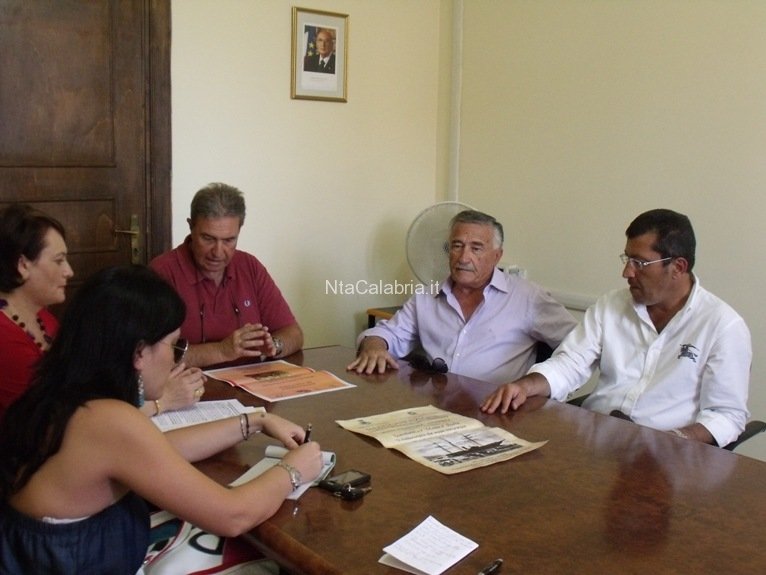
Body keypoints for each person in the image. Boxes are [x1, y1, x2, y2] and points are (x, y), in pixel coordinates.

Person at [0, 265, 322, 574]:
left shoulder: (68, 396)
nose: (176, 358)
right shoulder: (108, 420)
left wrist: (255, 421)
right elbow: (233, 515)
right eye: (174, 345)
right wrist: (293, 470)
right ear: (139, 353)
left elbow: (158, 450)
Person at [481, 209, 751, 448]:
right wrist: (526, 386)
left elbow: (726, 415)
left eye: (639, 263)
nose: (627, 273)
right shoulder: (611, 305)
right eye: (627, 259)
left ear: (678, 267)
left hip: (668, 458)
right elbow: (570, 363)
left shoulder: (722, 326)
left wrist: (675, 441)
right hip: (598, 444)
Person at [0, 203, 204, 419]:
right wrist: (163, 400)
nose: (69, 271)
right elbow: (60, 419)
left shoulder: (42, 317)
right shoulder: (5, 339)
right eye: (59, 261)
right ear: (23, 265)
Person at [347, 209, 577, 384]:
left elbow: (580, 347)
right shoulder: (426, 297)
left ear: (497, 256)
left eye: (476, 248)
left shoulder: (528, 298)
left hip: (498, 412)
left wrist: (537, 383)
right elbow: (388, 333)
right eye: (457, 246)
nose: (463, 257)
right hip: (434, 407)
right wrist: (374, 346)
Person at [150, 183, 303, 368]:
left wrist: (274, 346)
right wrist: (222, 351)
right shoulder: (162, 273)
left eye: (229, 240)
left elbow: (294, 333)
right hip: (191, 384)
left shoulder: (249, 266)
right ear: (191, 227)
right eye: (208, 238)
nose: (218, 252)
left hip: (249, 381)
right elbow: (151, 356)